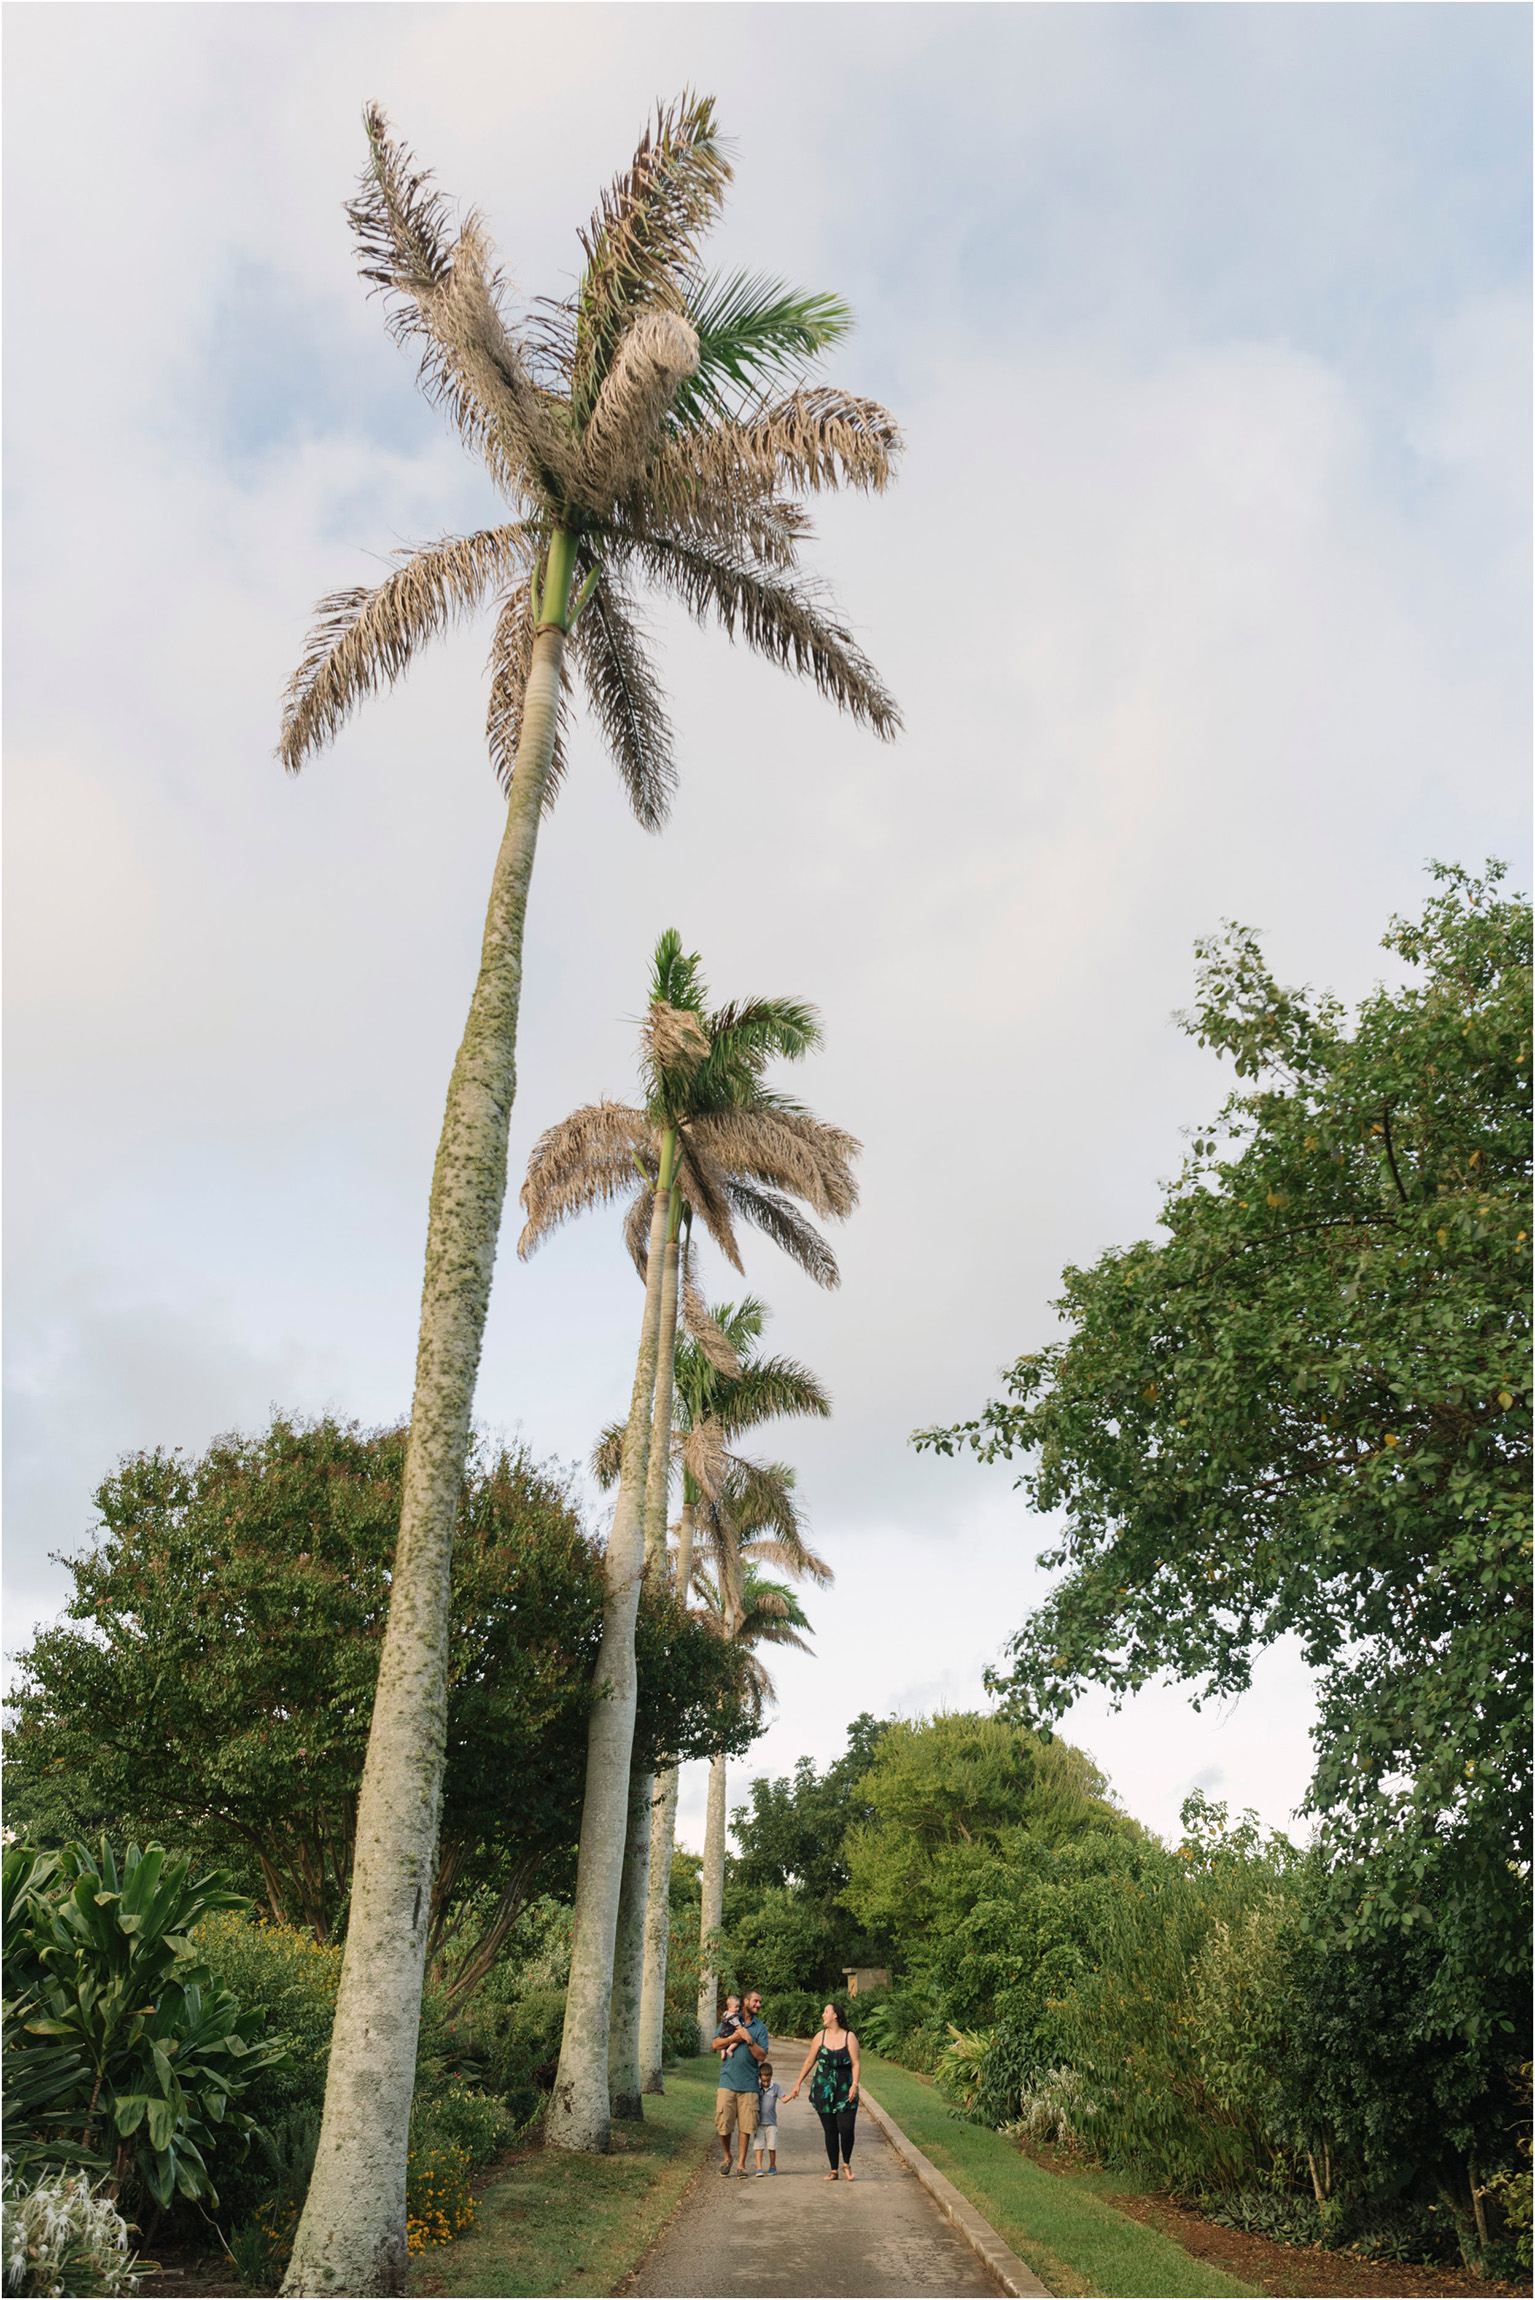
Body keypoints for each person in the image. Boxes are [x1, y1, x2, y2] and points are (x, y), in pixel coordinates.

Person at [785, 2002, 861, 2181]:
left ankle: (846, 2164)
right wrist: (797, 2084)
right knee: (830, 2130)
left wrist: (854, 2084)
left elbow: (856, 2063)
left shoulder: (849, 2037)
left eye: (825, 2012)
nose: (822, 2015)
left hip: (845, 2087)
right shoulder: (820, 2037)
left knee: (847, 2128)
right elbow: (809, 2061)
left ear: (835, 2015)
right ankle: (834, 2169)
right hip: (823, 2089)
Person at [711, 1986, 770, 2175]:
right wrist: (736, 2037)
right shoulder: (728, 2021)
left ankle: (741, 2165)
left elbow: (762, 2056)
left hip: (749, 2085)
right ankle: (728, 2157)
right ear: (745, 2002)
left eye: (760, 2002)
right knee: (723, 2125)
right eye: (755, 2001)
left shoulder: (760, 2028)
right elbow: (715, 2044)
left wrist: (749, 2040)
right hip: (727, 2082)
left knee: (746, 2126)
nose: (758, 2005)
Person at [752, 2059, 784, 2175]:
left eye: (768, 2080)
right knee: (758, 2146)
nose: (765, 2083)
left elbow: (783, 2099)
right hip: (759, 2123)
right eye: (763, 2081)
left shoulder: (775, 2087)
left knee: (772, 2146)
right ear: (760, 2077)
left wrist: (792, 2095)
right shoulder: (757, 2087)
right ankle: (759, 2167)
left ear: (771, 2076)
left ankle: (772, 2165)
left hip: (771, 2123)